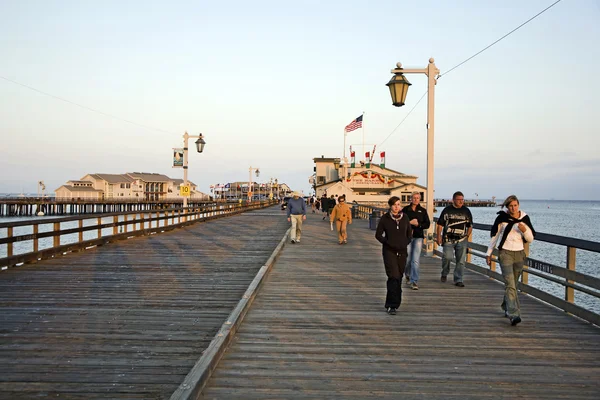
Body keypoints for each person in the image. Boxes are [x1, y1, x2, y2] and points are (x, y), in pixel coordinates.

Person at [486, 195, 535, 326]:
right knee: (510, 284)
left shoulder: (524, 219)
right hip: (505, 253)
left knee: (514, 284)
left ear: (518, 205)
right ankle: (514, 314)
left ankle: (506, 305)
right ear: (507, 207)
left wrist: (524, 231)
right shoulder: (502, 218)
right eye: (510, 206)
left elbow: (530, 239)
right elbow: (495, 236)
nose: (513, 208)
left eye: (515, 205)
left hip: (519, 254)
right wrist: (489, 253)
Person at [375, 196, 413, 315]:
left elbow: (409, 233)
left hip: (402, 251)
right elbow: (378, 235)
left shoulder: (405, 217)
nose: (397, 207)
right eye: (394, 205)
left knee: (399, 277)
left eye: (398, 204)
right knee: (393, 276)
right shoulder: (385, 218)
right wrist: (387, 243)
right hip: (389, 251)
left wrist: (405, 242)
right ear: (390, 206)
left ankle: (394, 303)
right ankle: (391, 305)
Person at [435, 191, 473, 287]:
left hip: (462, 239)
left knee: (460, 260)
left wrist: (467, 236)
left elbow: (470, 225)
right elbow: (439, 225)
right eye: (459, 200)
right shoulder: (447, 210)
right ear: (453, 200)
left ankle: (458, 279)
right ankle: (444, 272)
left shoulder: (466, 211)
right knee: (447, 257)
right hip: (448, 239)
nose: (461, 202)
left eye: (462, 200)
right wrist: (438, 237)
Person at [402, 192, 431, 290]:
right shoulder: (405, 210)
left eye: (417, 198)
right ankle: (407, 274)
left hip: (418, 236)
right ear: (411, 199)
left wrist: (418, 225)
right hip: (407, 237)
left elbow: (427, 224)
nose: (415, 199)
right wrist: (410, 223)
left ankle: (414, 281)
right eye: (414, 198)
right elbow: (400, 222)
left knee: (415, 260)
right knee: (408, 258)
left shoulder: (422, 211)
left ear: (420, 199)